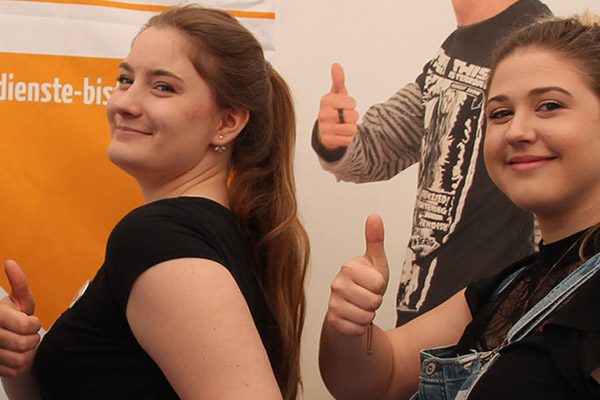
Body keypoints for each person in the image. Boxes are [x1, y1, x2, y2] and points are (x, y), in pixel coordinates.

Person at [0, 5, 309, 400]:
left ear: (226, 123)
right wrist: (22, 366)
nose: (124, 104)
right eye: (125, 79)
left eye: (163, 87)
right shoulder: (209, 235)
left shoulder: (158, 238)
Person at [319, 12, 600, 400]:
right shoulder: (506, 290)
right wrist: (348, 326)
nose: (517, 131)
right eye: (500, 113)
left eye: (549, 105)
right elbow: (378, 380)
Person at [312, 0, 552, 326]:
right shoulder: (454, 51)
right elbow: (373, 152)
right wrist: (333, 138)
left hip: (497, 326)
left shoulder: (538, 44)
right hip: (423, 312)